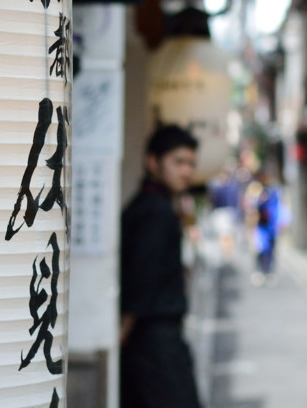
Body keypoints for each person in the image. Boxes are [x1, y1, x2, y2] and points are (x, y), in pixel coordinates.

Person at [119, 125, 202, 408]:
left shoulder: (152, 205)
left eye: (191, 164)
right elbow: (142, 277)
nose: (187, 172)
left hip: (151, 340)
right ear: (153, 162)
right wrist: (123, 331)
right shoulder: (155, 211)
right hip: (154, 342)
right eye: (178, 162)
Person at [251, 178, 281, 286]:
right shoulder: (260, 200)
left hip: (270, 230)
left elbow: (276, 214)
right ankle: (260, 272)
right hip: (262, 230)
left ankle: (269, 272)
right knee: (260, 251)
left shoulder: (273, 199)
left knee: (270, 252)